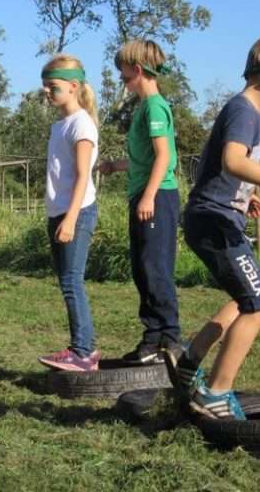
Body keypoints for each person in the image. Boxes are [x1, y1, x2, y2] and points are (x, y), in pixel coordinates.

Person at [163, 34, 260, 419]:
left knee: (245, 298)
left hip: (217, 215)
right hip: (215, 221)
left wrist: (245, 195)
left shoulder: (245, 112)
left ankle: (189, 356)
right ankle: (216, 393)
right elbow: (233, 160)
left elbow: (219, 169)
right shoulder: (245, 112)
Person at [98, 39, 181, 364]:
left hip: (158, 196)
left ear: (136, 70)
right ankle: (152, 337)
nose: (122, 79)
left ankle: (171, 338)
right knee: (142, 269)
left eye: (123, 73)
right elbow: (145, 159)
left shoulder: (156, 106)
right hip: (145, 195)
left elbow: (165, 157)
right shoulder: (143, 109)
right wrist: (114, 166)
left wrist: (148, 195)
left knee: (155, 268)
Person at [37, 54, 101, 372]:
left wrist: (71, 219)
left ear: (74, 86)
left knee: (71, 281)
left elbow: (82, 176)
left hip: (76, 213)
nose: (47, 92)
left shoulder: (81, 124)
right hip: (59, 212)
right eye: (45, 86)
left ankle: (84, 352)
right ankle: (83, 348)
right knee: (67, 280)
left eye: (53, 86)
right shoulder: (60, 125)